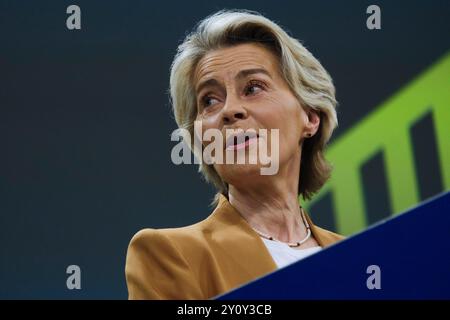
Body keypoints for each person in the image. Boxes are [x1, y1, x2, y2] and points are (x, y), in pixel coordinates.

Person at [125, 9, 344, 300]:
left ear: (310, 117)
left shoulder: (357, 260)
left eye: (253, 88)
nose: (229, 110)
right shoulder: (173, 254)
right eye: (210, 100)